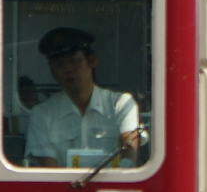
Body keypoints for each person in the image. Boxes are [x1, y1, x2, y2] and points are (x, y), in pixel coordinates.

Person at [25, 27, 140, 167]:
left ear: (92, 61)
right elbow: (49, 171)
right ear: (52, 71)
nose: (68, 69)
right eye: (59, 64)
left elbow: (129, 150)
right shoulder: (42, 114)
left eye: (74, 61)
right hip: (63, 188)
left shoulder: (121, 105)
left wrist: (124, 169)